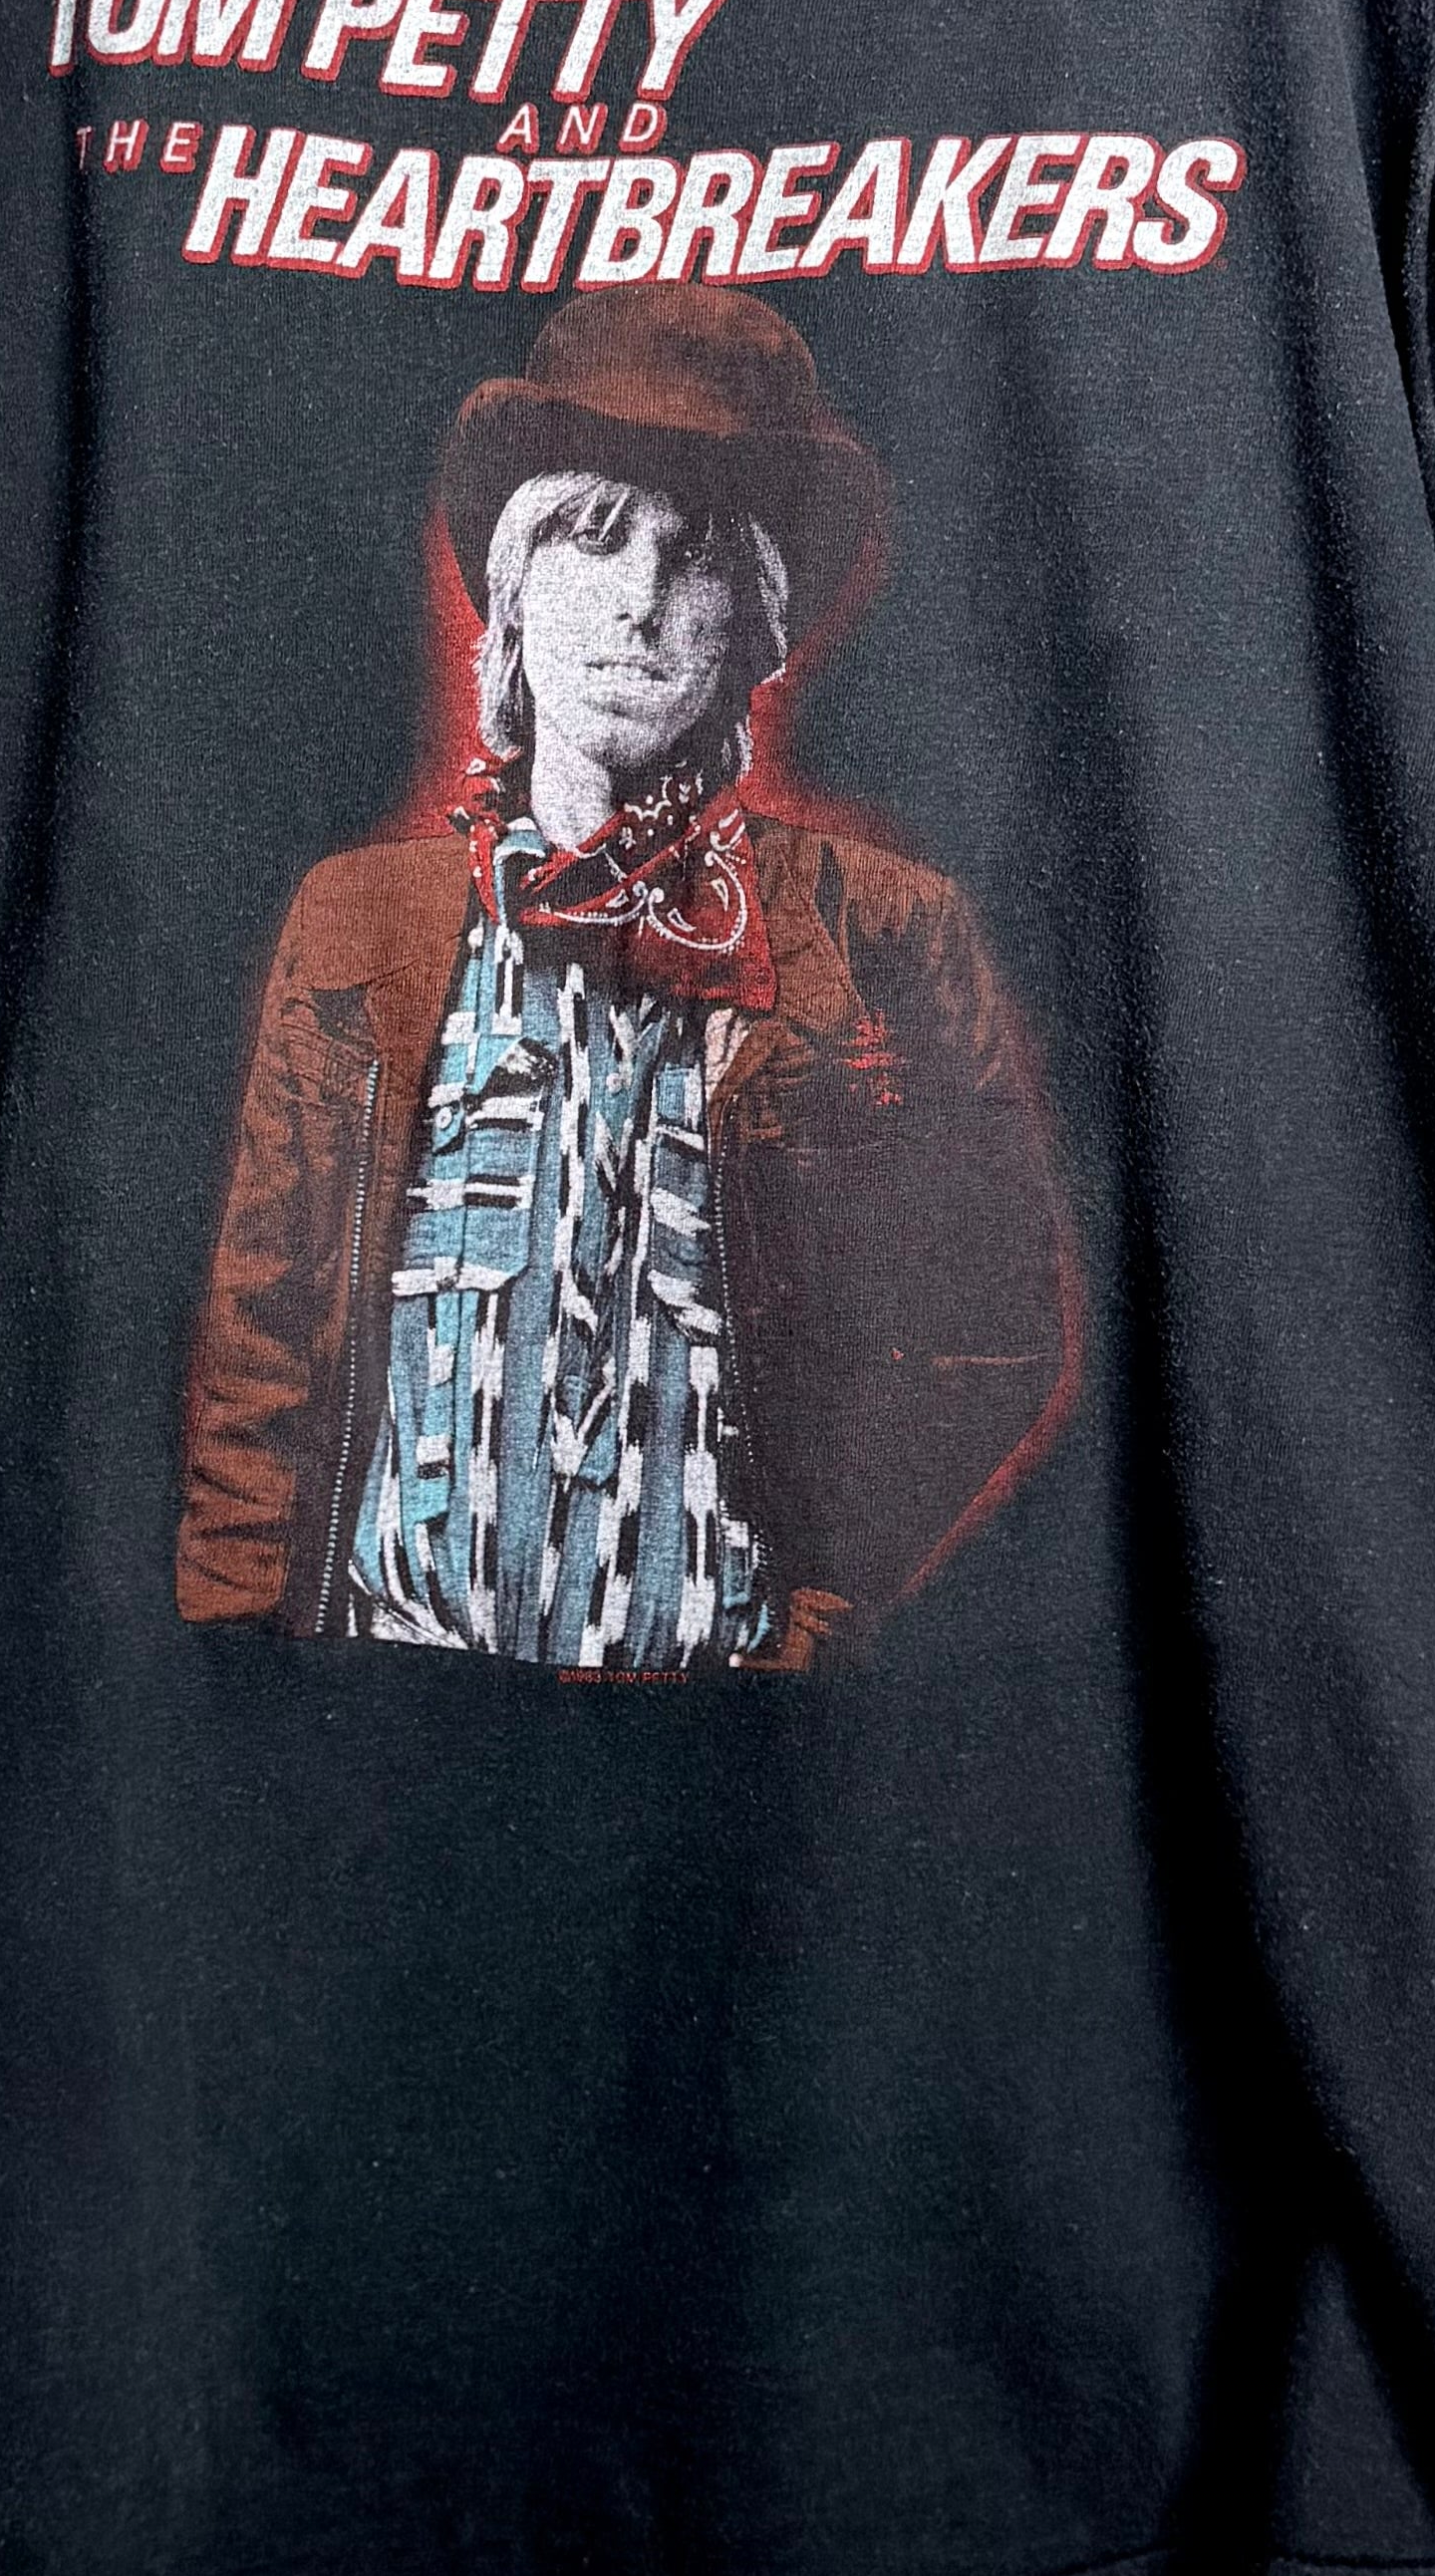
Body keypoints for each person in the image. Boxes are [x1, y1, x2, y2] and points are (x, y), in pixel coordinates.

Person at [176, 284, 1077, 1674]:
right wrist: (239, 1660)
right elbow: (264, 1339)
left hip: (727, 1712)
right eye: (595, 538)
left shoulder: (886, 932)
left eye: (697, 556)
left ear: (752, 627)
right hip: (386, 1687)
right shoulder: (358, 924)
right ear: (516, 589)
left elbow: (994, 1327)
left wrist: (820, 1615)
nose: (641, 602)